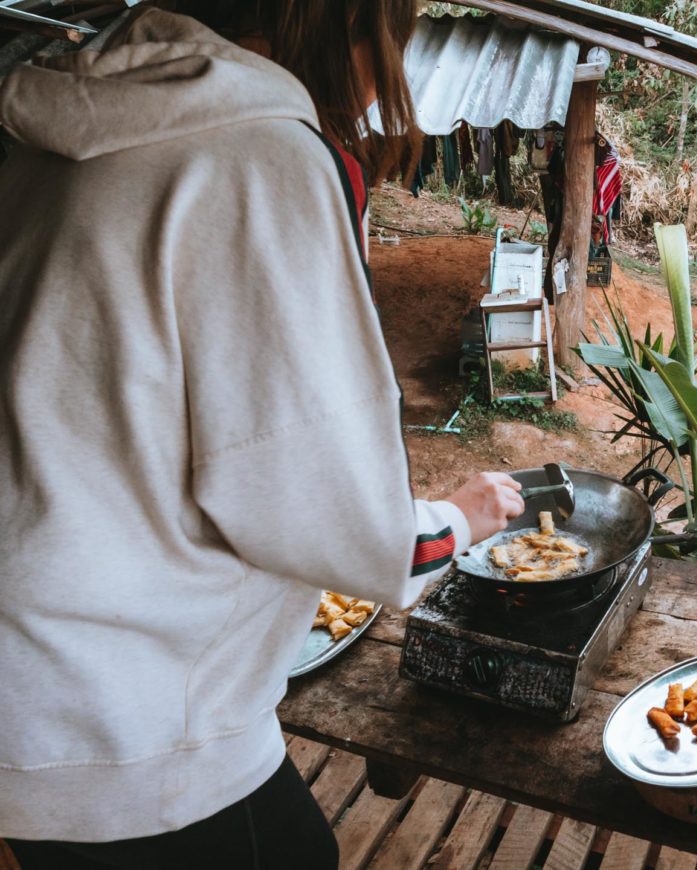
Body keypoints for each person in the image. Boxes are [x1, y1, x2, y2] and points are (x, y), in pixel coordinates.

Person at [0, 2, 524, 867]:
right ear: (351, 21)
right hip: (129, 719)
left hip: (34, 682)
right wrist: (453, 522)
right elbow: (313, 495)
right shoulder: (259, 156)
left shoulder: (44, 137)